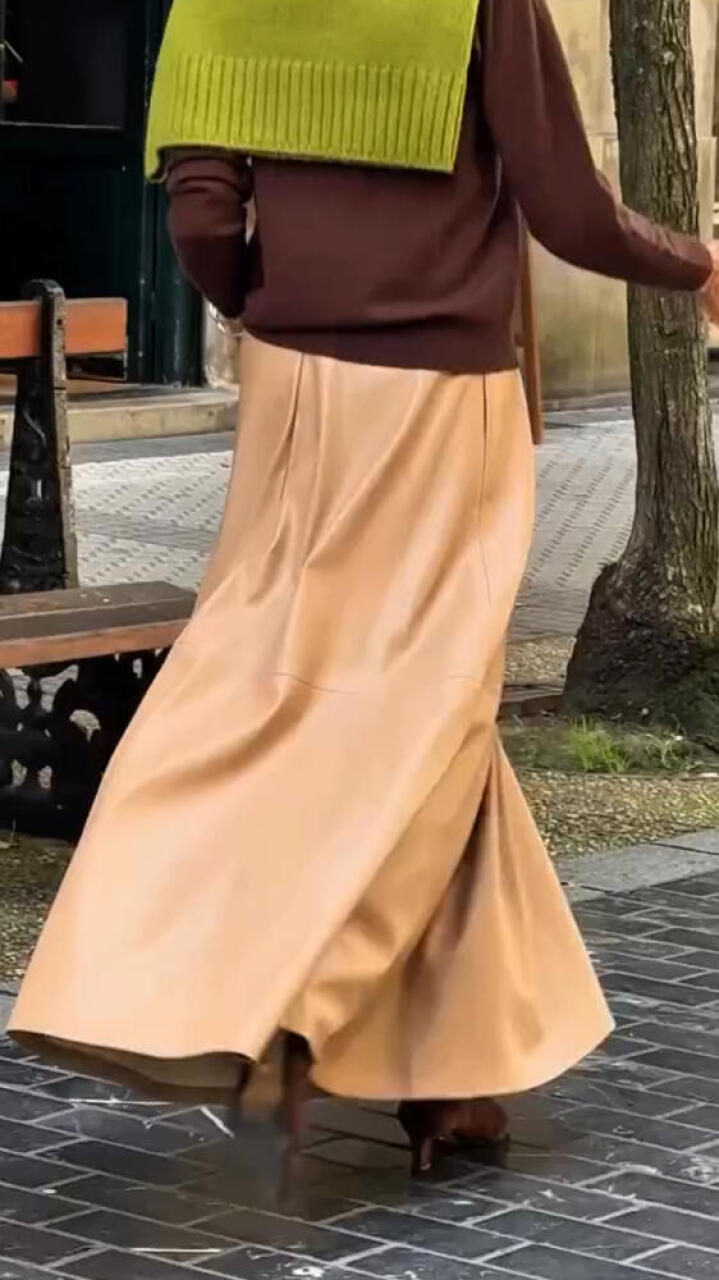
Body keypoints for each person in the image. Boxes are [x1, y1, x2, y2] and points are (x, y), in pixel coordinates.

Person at [9, 0, 719, 1176]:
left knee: (272, 681)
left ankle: (445, 1076)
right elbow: (565, 207)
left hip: (289, 391)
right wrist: (693, 262)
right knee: (424, 706)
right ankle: (292, 1007)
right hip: (440, 397)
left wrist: (274, 307)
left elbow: (200, 216)